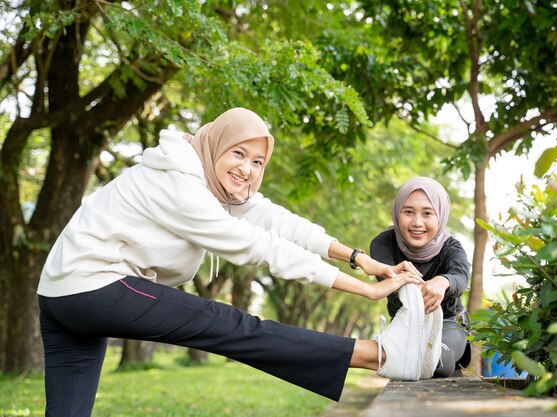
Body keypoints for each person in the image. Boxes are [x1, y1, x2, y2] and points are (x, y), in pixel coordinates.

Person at [37, 107, 424, 416]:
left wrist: (358, 258)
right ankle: (381, 355)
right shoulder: (178, 185)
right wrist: (366, 290)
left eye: (258, 161)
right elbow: (258, 246)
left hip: (60, 293)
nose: (247, 169)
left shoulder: (206, 179)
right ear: (215, 145)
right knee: (232, 325)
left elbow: (278, 221)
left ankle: (381, 354)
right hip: (94, 286)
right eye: (238, 153)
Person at [370, 176, 472, 378]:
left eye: (427, 213)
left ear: (440, 216)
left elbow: (460, 276)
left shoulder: (451, 247)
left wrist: (443, 281)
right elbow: (388, 278)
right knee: (402, 365)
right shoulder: (383, 244)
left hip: (448, 326)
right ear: (397, 212)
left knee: (438, 362)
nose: (417, 222)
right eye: (408, 212)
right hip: (405, 328)